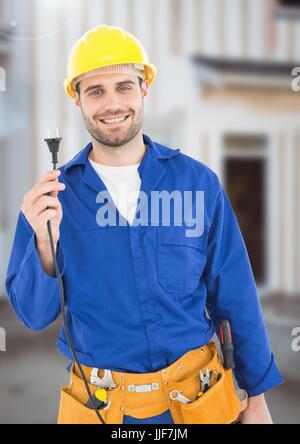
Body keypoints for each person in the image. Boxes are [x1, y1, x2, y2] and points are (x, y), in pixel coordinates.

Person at [6, 25, 284, 424]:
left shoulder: (197, 184)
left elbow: (235, 293)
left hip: (200, 399)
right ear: (77, 99)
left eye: (124, 86)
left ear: (144, 89)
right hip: (101, 410)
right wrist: (45, 245)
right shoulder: (51, 200)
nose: (112, 103)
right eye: (96, 91)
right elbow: (33, 315)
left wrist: (256, 395)